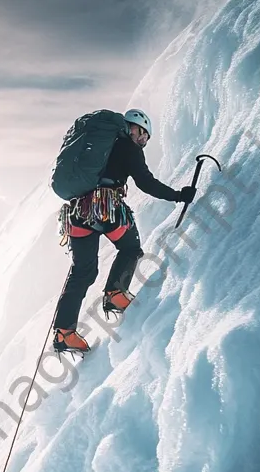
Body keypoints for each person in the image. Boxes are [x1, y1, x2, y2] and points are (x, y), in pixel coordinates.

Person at [52, 109, 195, 355]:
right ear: (134, 128)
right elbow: (145, 181)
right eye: (143, 135)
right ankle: (116, 293)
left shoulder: (99, 146)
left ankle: (64, 333)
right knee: (130, 248)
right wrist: (178, 196)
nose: (143, 141)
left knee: (82, 272)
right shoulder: (128, 147)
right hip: (104, 206)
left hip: (76, 213)